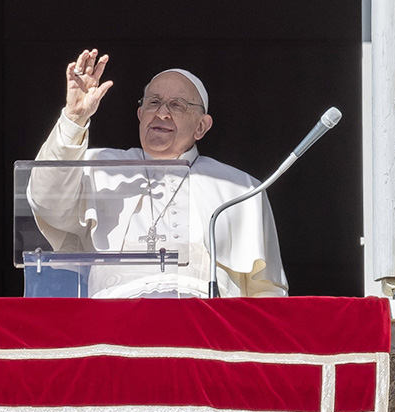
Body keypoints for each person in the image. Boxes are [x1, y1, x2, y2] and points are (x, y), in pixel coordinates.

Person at [28, 49, 288, 298]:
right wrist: (74, 118)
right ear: (141, 115)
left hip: (205, 327)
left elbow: (266, 289)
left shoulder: (239, 188)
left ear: (201, 126)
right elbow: (46, 201)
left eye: (177, 105)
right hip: (114, 321)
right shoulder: (100, 165)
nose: (162, 113)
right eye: (154, 103)